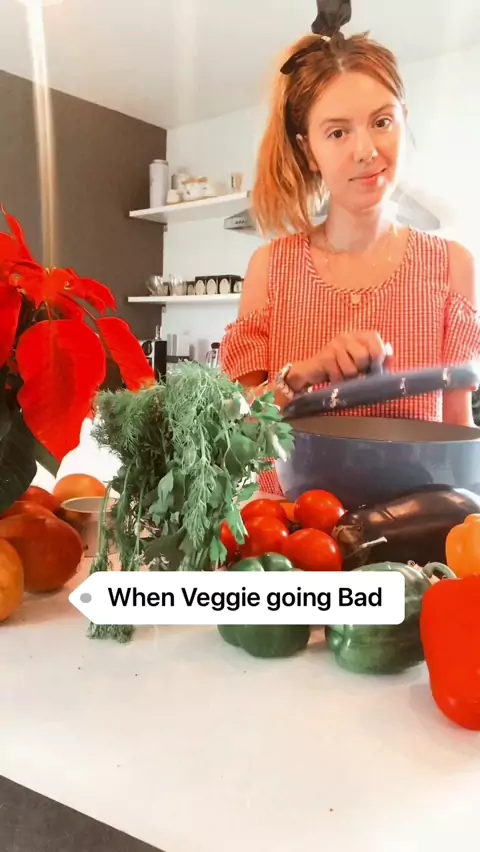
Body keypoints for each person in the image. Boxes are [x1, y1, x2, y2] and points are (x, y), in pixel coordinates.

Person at [219, 24, 480, 496]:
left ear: (404, 119)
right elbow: (237, 435)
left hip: (408, 531)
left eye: (382, 121)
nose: (366, 150)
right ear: (308, 150)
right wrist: (304, 374)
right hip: (287, 527)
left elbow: (458, 444)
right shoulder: (270, 268)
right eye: (338, 132)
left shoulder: (452, 266)